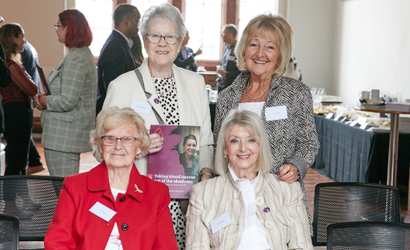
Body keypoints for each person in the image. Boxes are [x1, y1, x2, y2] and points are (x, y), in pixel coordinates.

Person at [102, 3, 214, 249]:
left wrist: (206, 174)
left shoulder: (195, 84)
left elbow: (206, 141)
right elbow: (103, 146)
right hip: (138, 198)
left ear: (180, 41)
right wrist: (137, 146)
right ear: (144, 39)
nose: (162, 43)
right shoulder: (122, 87)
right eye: (155, 35)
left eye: (170, 36)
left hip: (188, 201)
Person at [213, 13, 320, 233]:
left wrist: (296, 166)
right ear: (243, 49)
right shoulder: (227, 98)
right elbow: (219, 150)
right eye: (254, 45)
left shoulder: (296, 93)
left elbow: (309, 143)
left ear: (280, 55)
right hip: (234, 203)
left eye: (270, 47)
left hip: (281, 201)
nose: (260, 54)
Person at [45, 107, 178, 250]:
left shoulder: (157, 193)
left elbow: (166, 247)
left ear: (139, 148)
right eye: (110, 138)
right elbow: (57, 243)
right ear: (100, 146)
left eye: (127, 139)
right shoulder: (74, 187)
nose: (118, 146)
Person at [186, 110, 313, 249]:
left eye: (251, 140)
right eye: (235, 141)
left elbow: (302, 246)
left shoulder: (287, 189)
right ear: (224, 148)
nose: (243, 148)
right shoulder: (202, 193)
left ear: (260, 145)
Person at [34, 9, 98, 177]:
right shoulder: (77, 54)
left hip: (63, 137)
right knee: (64, 190)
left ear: (69, 28)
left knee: (64, 191)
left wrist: (44, 101)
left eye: (59, 25)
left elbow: (67, 101)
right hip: (63, 135)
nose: (56, 29)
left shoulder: (76, 58)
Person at [0, 23, 40, 218]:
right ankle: (9, 206)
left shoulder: (10, 62)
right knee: (16, 162)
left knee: (20, 159)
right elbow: (32, 89)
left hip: (16, 112)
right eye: (21, 37)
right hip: (16, 113)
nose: (24, 40)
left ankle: (25, 200)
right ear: (12, 39)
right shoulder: (10, 64)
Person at [96, 4, 140, 115]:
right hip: (115, 114)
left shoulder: (122, 43)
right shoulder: (115, 47)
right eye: (137, 20)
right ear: (126, 22)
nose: (139, 25)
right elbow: (114, 88)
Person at [20, 40, 45, 175]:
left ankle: (34, 161)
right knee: (23, 132)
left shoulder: (22, 49)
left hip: (23, 96)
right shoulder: (29, 46)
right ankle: (35, 161)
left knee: (20, 133)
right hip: (30, 93)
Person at [215, 24, 241, 92]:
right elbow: (222, 66)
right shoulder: (226, 48)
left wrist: (226, 74)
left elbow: (242, 72)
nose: (221, 35)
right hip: (222, 86)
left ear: (230, 35)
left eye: (223, 33)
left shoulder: (239, 49)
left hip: (233, 88)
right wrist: (218, 80)